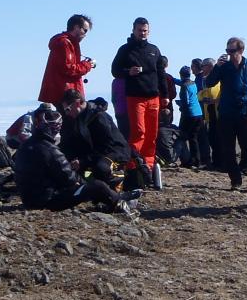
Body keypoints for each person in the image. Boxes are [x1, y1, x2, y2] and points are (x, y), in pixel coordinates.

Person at [12, 103, 141, 214]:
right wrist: (86, 181)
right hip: (47, 200)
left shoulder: (28, 145)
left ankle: (115, 197)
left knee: (91, 184)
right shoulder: (50, 150)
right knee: (97, 186)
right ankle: (119, 202)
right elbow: (69, 179)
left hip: (29, 198)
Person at [207, 37, 247, 192]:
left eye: (232, 51)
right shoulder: (224, 67)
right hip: (226, 113)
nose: (229, 54)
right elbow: (209, 83)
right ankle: (235, 180)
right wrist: (216, 67)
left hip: (245, 113)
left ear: (241, 51)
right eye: (227, 51)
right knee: (228, 149)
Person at [110, 17, 164, 180]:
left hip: (153, 97)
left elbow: (161, 73)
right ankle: (133, 165)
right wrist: (128, 72)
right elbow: (115, 70)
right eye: (140, 30)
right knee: (139, 132)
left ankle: (147, 166)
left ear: (149, 31)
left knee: (152, 134)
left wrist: (166, 96)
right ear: (133, 30)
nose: (142, 33)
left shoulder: (154, 49)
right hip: (135, 97)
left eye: (145, 30)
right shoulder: (125, 49)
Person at [59, 89, 131, 183]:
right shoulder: (76, 118)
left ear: (77, 104)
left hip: (114, 152)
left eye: (67, 109)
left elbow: (106, 147)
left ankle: (122, 176)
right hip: (94, 154)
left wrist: (83, 161)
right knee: (79, 172)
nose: (66, 113)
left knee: (100, 169)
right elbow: (70, 142)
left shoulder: (99, 117)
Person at [38, 14, 95, 104]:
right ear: (76, 27)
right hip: (65, 94)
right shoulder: (64, 43)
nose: (85, 34)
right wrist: (87, 65)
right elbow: (68, 68)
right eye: (85, 30)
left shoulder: (67, 43)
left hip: (63, 92)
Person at [176, 65, 206, 168]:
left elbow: (186, 102)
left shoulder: (184, 86)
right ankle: (196, 160)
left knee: (182, 137)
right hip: (199, 113)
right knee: (194, 138)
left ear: (181, 75)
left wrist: (180, 107)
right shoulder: (193, 83)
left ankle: (186, 160)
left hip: (189, 114)